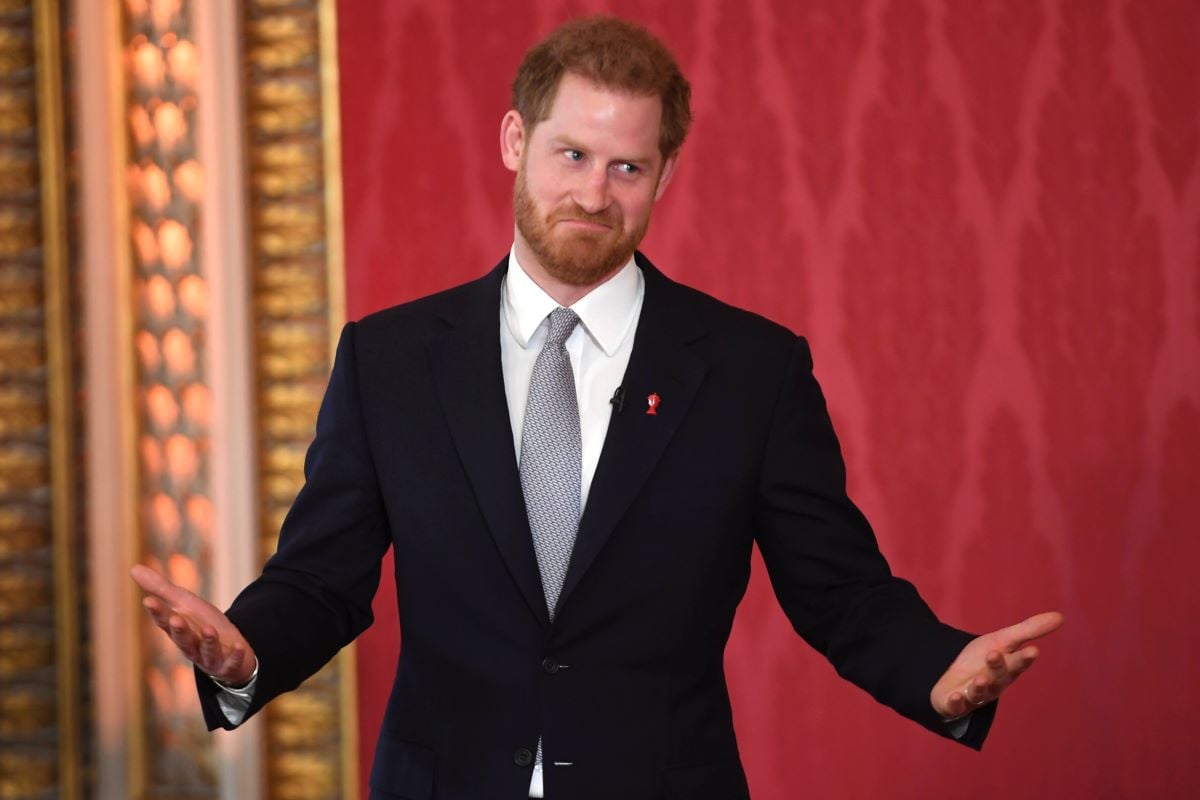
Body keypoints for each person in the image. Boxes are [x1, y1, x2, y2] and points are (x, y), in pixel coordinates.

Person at [132, 15, 1063, 800]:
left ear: (664, 177)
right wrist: (245, 650)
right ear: (513, 141)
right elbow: (322, 579)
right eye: (571, 153)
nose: (593, 193)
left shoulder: (751, 370)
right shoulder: (390, 359)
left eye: (627, 167)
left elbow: (840, 592)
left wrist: (941, 675)